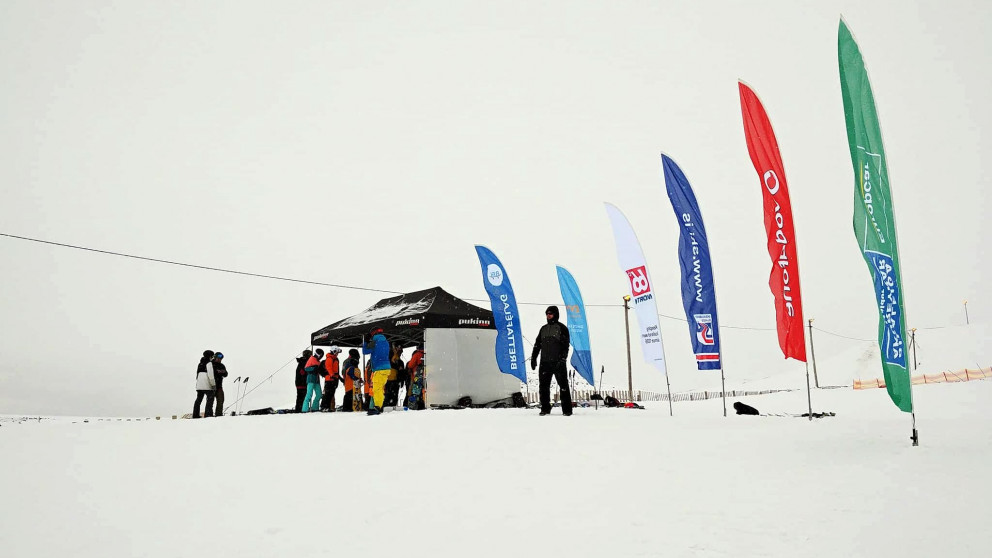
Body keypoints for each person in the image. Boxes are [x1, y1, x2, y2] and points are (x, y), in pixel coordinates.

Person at [530, 305, 573, 416]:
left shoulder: (562, 328)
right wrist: (534, 358)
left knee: (563, 387)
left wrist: (563, 359)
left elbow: (565, 346)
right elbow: (537, 345)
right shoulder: (543, 329)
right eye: (547, 314)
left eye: (550, 313)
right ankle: (545, 408)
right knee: (543, 387)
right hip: (544, 363)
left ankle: (567, 410)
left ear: (555, 314)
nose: (548, 316)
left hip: (558, 362)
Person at [363, 328, 391, 414]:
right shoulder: (386, 342)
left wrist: (366, 341)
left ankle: (377, 407)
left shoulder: (374, 342)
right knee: (380, 388)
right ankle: (378, 405)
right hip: (387, 368)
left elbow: (365, 351)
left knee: (377, 389)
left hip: (379, 369)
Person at [193, 350, 216, 418]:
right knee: (210, 399)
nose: (213, 358)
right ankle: (208, 414)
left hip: (199, 385)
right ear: (210, 356)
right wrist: (213, 385)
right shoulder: (209, 363)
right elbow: (211, 376)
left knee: (198, 400)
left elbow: (197, 375)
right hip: (206, 385)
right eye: (212, 356)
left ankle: (195, 415)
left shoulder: (200, 364)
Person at [320, 346, 342, 411]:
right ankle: (324, 407)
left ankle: (327, 406)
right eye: (337, 352)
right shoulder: (329, 358)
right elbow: (329, 368)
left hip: (334, 379)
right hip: (329, 379)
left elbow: (336, 370)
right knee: (327, 394)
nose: (337, 353)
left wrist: (339, 378)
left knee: (331, 394)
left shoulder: (335, 359)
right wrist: (332, 375)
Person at [302, 348, 324, 412]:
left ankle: (315, 408)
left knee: (319, 394)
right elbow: (306, 368)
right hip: (311, 379)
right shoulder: (311, 359)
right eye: (321, 356)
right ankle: (304, 409)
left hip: (316, 380)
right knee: (309, 394)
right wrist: (313, 368)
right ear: (318, 355)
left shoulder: (318, 361)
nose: (321, 357)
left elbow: (319, 370)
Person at [405, 343, 425, 409]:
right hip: (426, 376)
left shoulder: (417, 354)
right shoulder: (428, 354)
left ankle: (413, 406)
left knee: (415, 392)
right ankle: (423, 404)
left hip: (417, 376)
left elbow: (410, 365)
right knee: (424, 391)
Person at [385, 342, 404, 407]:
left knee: (393, 396)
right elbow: (391, 363)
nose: (400, 351)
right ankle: (387, 406)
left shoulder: (400, 361)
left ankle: (391, 406)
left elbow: (401, 371)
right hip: (389, 379)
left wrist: (401, 380)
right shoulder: (390, 355)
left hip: (395, 380)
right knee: (388, 396)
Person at [212, 352, 229, 416]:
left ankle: (218, 414)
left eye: (221, 359)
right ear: (215, 357)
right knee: (210, 401)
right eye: (218, 358)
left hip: (219, 386)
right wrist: (217, 372)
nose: (220, 360)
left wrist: (222, 372)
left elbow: (226, 374)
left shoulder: (222, 365)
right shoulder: (210, 364)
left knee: (221, 400)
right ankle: (209, 414)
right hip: (211, 385)